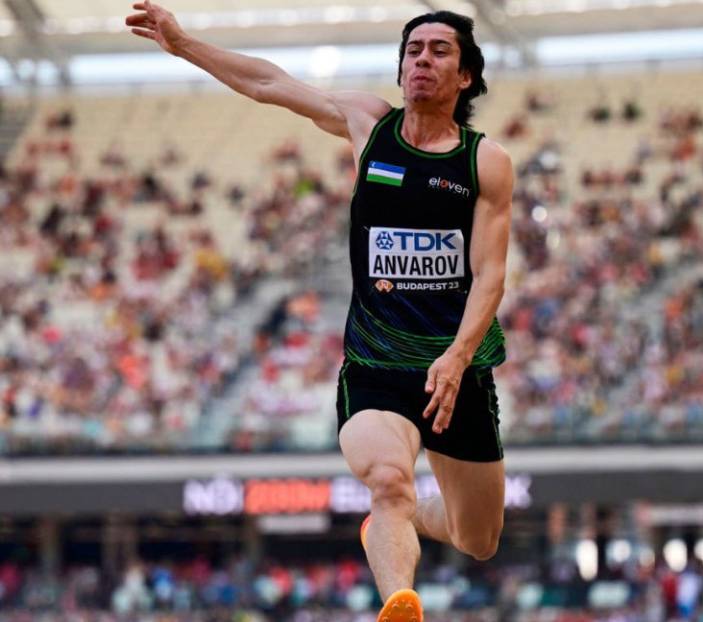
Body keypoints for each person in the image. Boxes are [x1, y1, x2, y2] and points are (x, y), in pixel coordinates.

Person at [125, 4, 514, 622]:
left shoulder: (484, 162)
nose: (422, 59)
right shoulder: (369, 125)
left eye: (440, 50)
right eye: (413, 50)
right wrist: (184, 44)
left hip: (455, 371)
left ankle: (408, 517)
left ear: (465, 76)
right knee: (387, 481)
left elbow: (490, 275)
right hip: (376, 366)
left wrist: (458, 354)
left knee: (479, 538)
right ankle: (400, 602)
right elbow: (268, 83)